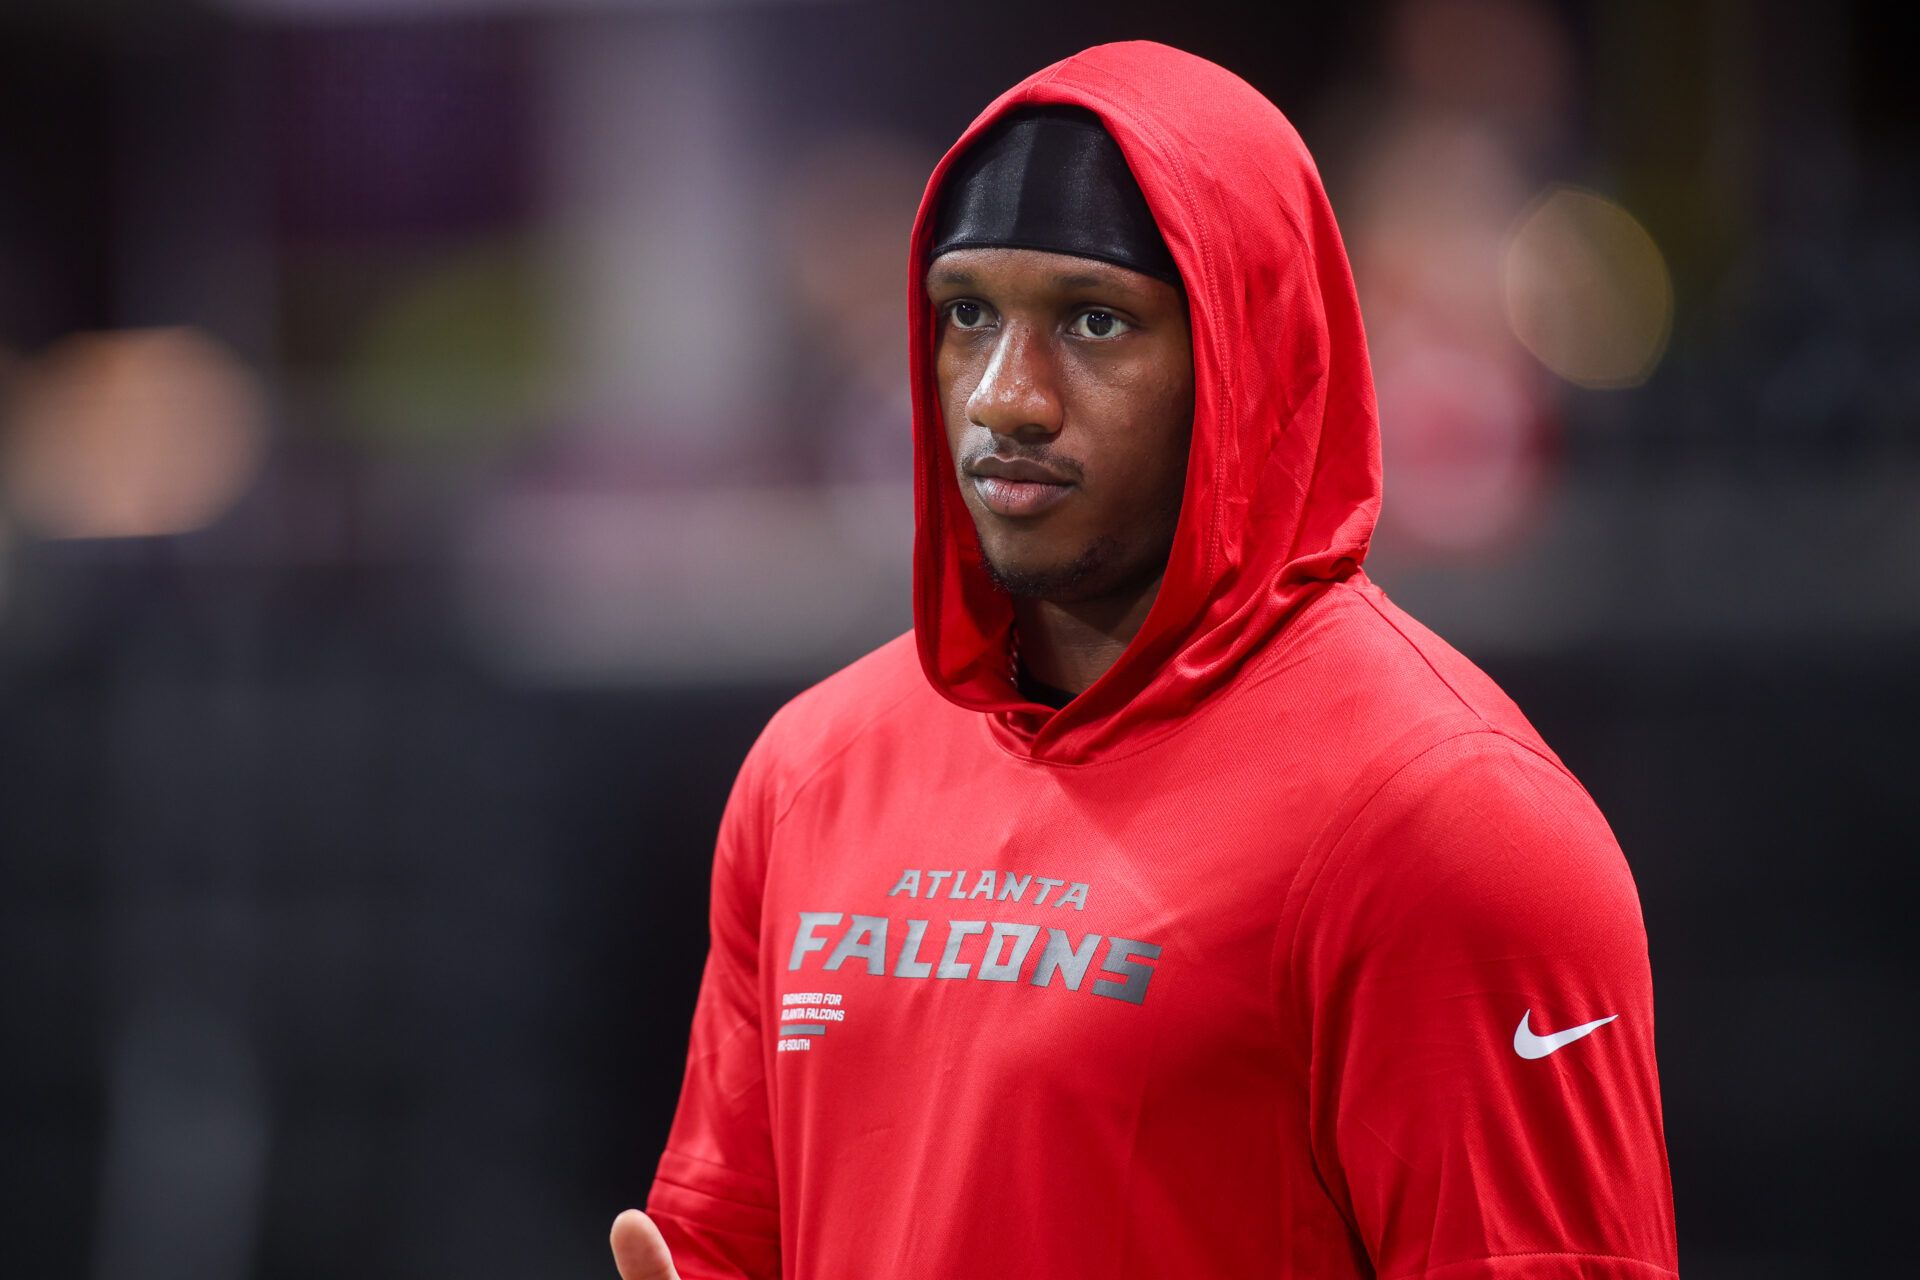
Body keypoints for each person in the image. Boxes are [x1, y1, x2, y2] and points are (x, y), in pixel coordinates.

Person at [611, 39, 1678, 1280]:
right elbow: (727, 1242)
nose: (1006, 396)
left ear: (1254, 354)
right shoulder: (810, 773)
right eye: (966, 313)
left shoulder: (1455, 823)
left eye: (1095, 319)